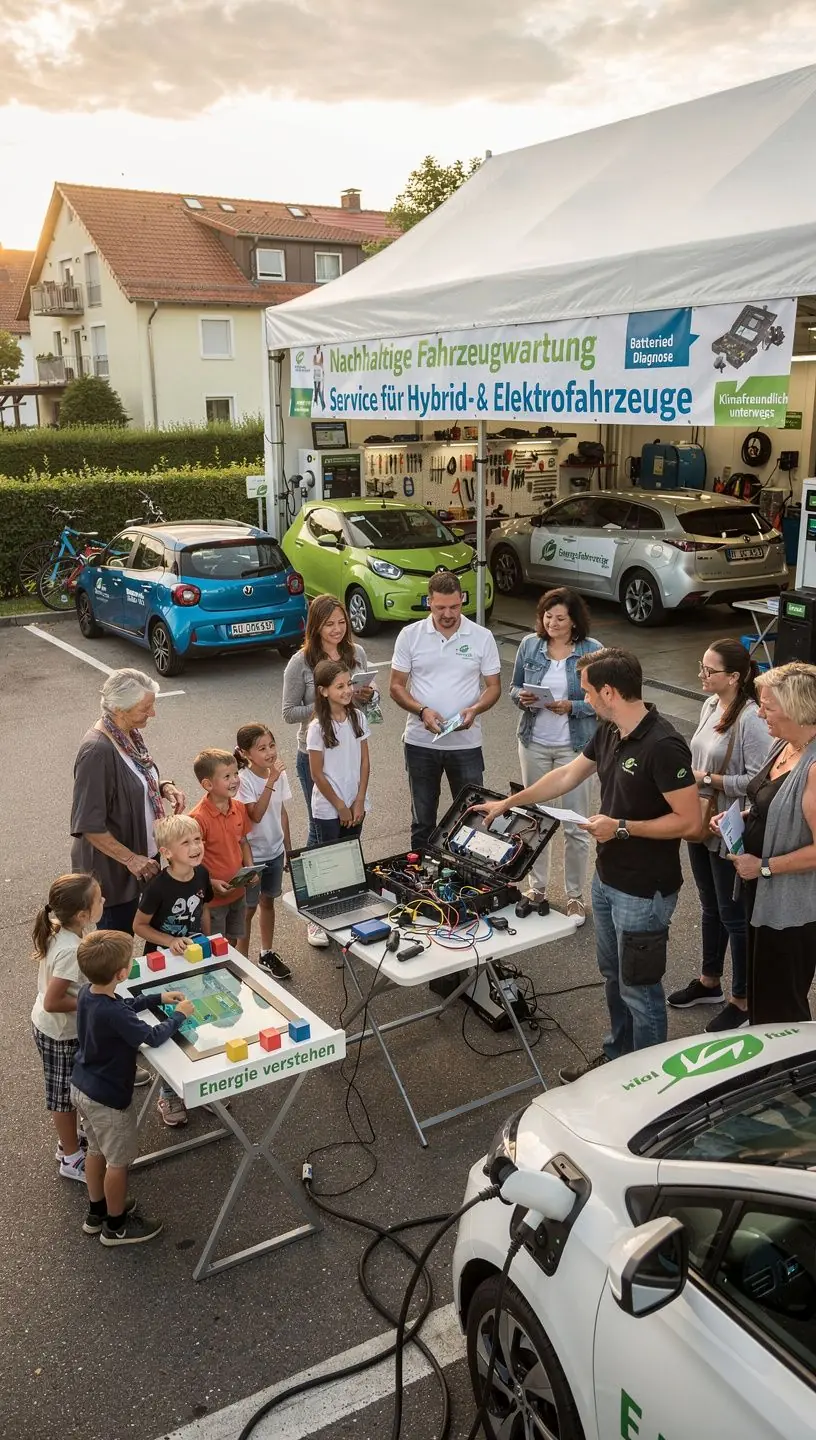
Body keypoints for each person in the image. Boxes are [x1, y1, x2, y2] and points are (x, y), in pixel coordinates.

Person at [478, 648, 700, 1078]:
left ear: (609, 691)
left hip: (644, 890)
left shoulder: (664, 746)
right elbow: (566, 775)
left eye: (587, 690)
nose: (584, 698)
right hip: (607, 878)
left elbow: (689, 822)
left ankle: (651, 1083)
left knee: (640, 991)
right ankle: (618, 1062)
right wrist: (509, 802)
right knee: (614, 978)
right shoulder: (610, 730)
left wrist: (622, 828)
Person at [668, 640, 770, 1032]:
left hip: (730, 824)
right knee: (709, 905)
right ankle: (710, 981)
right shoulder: (711, 703)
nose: (701, 674)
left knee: (733, 915)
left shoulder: (752, 718)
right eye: (702, 666)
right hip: (701, 817)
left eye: (709, 671)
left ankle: (743, 1000)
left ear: (735, 677)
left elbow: (760, 781)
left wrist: (707, 779)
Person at [70, 929, 194, 1246]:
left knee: (96, 1150)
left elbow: (125, 1004)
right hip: (109, 1099)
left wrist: (157, 998)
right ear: (122, 973)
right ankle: (116, 1226)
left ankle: (97, 1211)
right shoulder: (113, 1013)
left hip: (82, 1086)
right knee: (118, 1163)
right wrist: (179, 1016)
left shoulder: (87, 993)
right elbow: (151, 1037)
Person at [725, 662, 816, 1025]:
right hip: (763, 894)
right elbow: (773, 802)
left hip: (791, 907)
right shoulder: (783, 744)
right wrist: (742, 818)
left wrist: (763, 867)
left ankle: (793, 1061)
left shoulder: (813, 767)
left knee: (783, 1004)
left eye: (767, 707)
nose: (760, 713)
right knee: (763, 989)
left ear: (796, 708)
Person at [282, 594, 372, 946]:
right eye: (329, 624)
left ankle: (343, 902)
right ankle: (314, 912)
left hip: (349, 751)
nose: (337, 629)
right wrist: (326, 705)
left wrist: (363, 698)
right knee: (320, 831)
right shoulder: (300, 662)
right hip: (314, 756)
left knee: (346, 835)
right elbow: (289, 712)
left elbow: (371, 707)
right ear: (315, 626)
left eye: (341, 622)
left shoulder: (356, 653)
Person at [390, 571, 501, 850]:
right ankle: (421, 873)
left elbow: (494, 687)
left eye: (454, 606)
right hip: (420, 743)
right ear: (429, 601)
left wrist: (475, 709)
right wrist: (422, 710)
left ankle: (466, 875)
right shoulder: (410, 636)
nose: (448, 614)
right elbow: (396, 686)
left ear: (462, 599)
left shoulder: (482, 637)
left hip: (466, 745)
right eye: (440, 607)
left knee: (472, 819)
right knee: (422, 822)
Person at [510, 587, 602, 925]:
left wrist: (572, 706)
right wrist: (522, 698)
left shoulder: (592, 651)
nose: (552, 623)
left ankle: (575, 896)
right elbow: (514, 687)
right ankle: (537, 888)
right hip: (533, 741)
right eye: (548, 617)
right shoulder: (529, 645)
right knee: (535, 819)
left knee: (575, 824)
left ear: (574, 620)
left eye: (560, 618)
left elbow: (602, 700)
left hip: (575, 748)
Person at [70, 669, 185, 933]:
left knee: (157, 932)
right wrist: (132, 859)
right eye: (145, 708)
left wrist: (163, 786)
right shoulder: (96, 752)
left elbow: (135, 778)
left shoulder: (128, 734)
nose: (152, 713)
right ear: (119, 709)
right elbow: (88, 824)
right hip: (115, 875)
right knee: (118, 945)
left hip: (144, 862)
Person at [133, 814, 214, 1128]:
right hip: (162, 967)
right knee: (171, 1028)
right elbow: (139, 926)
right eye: (186, 843)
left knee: (199, 1020)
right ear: (166, 852)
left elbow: (203, 910)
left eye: (198, 840)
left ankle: (201, 1084)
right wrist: (169, 941)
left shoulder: (202, 873)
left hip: (194, 962)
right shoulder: (158, 887)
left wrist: (207, 945)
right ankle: (168, 1093)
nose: (195, 847)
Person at [31, 873, 104, 1182]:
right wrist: (91, 1003)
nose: (104, 901)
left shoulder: (60, 929)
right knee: (62, 1097)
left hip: (56, 1029)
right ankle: (70, 1156)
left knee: (67, 1092)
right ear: (82, 914)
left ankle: (70, 1142)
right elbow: (53, 1001)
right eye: (99, 899)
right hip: (59, 1033)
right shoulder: (70, 950)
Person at [235, 722, 292, 981]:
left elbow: (282, 812)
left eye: (272, 745)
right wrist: (271, 781)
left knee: (268, 902)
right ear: (245, 753)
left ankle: (266, 953)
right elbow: (255, 815)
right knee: (247, 910)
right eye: (262, 748)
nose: (270, 752)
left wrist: (288, 849)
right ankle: (241, 963)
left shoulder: (278, 775)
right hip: (252, 857)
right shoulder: (243, 780)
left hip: (275, 850)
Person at [189, 749, 255, 946]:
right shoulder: (197, 819)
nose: (234, 780)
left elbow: (243, 841)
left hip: (238, 893)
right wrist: (209, 883)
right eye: (227, 777)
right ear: (207, 785)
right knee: (214, 947)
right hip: (213, 901)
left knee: (232, 942)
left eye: (235, 774)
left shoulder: (239, 808)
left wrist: (250, 868)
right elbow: (188, 861)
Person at [307, 660, 371, 844]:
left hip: (355, 802)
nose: (348, 690)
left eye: (349, 684)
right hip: (329, 809)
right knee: (332, 857)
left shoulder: (358, 717)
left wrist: (360, 800)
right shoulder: (317, 728)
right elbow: (316, 774)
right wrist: (340, 806)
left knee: (352, 852)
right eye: (340, 686)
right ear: (323, 691)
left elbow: (365, 762)